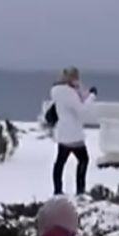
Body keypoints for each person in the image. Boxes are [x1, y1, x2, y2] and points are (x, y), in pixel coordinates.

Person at [51, 67, 93, 196]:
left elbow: (76, 101)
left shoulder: (56, 90)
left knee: (60, 162)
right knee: (84, 160)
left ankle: (58, 190)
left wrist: (81, 91)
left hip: (62, 132)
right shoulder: (69, 93)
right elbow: (81, 110)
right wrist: (92, 97)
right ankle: (80, 189)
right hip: (74, 133)